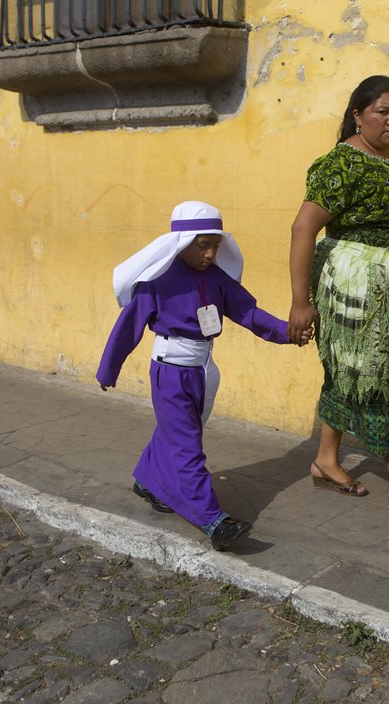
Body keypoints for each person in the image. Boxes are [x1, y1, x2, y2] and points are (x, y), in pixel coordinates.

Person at [97, 201, 310, 550]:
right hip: (170, 372)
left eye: (215, 245)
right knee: (187, 446)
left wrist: (289, 332)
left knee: (177, 431)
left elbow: (250, 313)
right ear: (181, 243)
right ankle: (212, 519)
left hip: (203, 370)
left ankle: (147, 480)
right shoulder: (156, 280)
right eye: (202, 245)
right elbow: (128, 326)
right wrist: (109, 368)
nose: (210, 253)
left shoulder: (217, 279)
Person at [288, 75, 389, 529]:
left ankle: (326, 460)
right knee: (382, 380)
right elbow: (302, 229)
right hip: (357, 288)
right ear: (358, 115)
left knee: (349, 372)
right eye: (382, 111)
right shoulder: (341, 164)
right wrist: (300, 301)